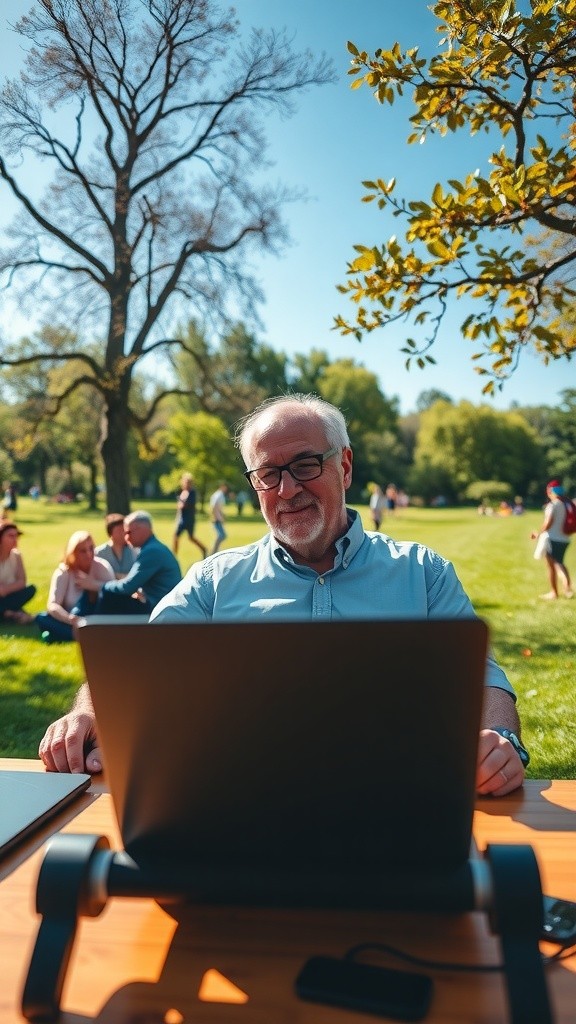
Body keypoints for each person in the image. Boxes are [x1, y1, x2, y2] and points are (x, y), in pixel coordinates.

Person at [39, 394, 528, 798]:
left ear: (346, 466)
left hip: (397, 801)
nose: (287, 488)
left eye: (305, 464)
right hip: (238, 805)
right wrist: (86, 712)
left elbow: (482, 679)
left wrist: (499, 740)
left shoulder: (422, 573)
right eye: (267, 474)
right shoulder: (213, 582)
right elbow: (138, 666)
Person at [95, 510, 182, 616]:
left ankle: (93, 630)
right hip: (162, 604)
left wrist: (102, 586)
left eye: (128, 532)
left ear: (142, 530)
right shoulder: (153, 547)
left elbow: (127, 587)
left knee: (109, 596)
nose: (126, 538)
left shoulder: (151, 551)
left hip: (160, 608)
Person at [36, 531, 114, 643]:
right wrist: (70, 619)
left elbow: (114, 594)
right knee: (41, 618)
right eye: (83, 551)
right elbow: (53, 605)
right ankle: (77, 634)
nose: (88, 554)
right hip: (71, 620)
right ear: (73, 553)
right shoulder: (64, 572)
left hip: (97, 617)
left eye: (91, 548)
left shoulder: (101, 567)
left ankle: (62, 635)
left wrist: (93, 585)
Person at [531, 480, 573, 600]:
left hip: (552, 538)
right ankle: (567, 588)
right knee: (559, 563)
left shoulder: (553, 505)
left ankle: (554, 592)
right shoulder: (568, 504)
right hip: (565, 538)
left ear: (550, 492)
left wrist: (538, 534)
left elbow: (548, 523)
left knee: (552, 566)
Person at [0, 521, 37, 625]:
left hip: (9, 594)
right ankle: (10, 613)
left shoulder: (16, 556)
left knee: (30, 589)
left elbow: (22, 581)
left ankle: (6, 613)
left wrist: (5, 589)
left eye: (16, 536)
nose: (15, 539)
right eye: (10, 536)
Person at [172, 474, 206, 559]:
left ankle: (204, 549)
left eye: (188, 482)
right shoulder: (183, 492)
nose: (186, 484)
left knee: (190, 538)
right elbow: (179, 508)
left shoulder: (192, 492)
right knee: (176, 536)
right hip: (182, 519)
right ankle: (174, 555)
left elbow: (185, 505)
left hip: (188, 519)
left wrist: (181, 504)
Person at [95, 513, 138, 579]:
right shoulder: (99, 553)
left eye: (125, 530)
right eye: (120, 531)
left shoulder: (135, 551)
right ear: (110, 533)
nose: (124, 533)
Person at [209, 482, 228, 554]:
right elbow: (213, 507)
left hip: (218, 517)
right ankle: (214, 551)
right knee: (222, 535)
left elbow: (219, 507)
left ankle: (215, 550)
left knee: (221, 535)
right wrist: (215, 517)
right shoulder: (218, 495)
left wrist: (222, 515)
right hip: (216, 518)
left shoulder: (220, 495)